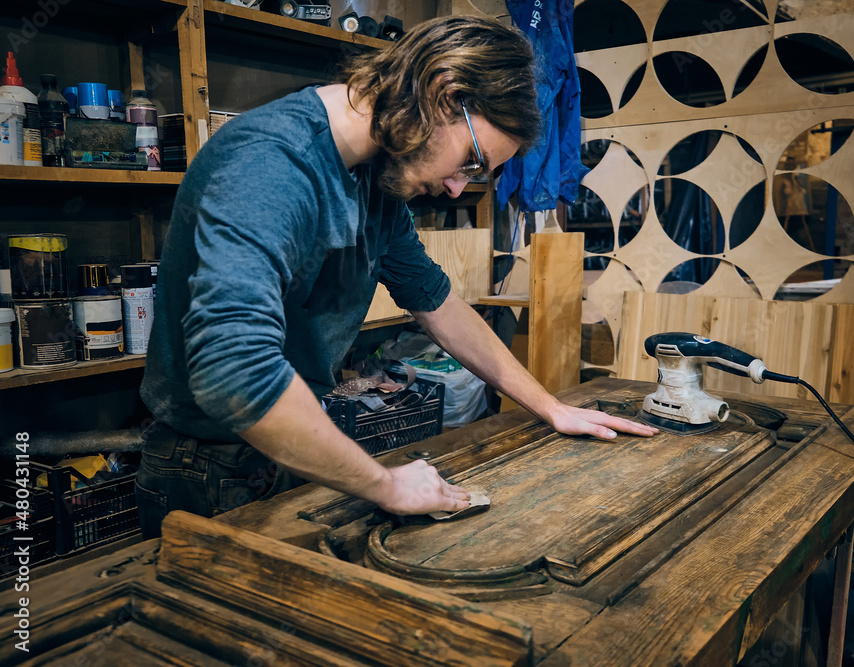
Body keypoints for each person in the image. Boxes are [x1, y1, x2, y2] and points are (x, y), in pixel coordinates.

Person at [136, 15, 657, 539]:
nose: (459, 189)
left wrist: (550, 407)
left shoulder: (377, 179)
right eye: (471, 161)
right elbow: (234, 371)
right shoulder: (274, 165)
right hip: (207, 467)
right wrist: (389, 486)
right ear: (442, 93)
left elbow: (437, 303)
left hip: (288, 445)